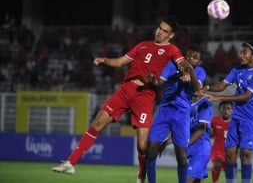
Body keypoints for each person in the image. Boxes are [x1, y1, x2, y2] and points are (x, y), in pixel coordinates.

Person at [52, 16, 189, 183]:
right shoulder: (143, 45)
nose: (160, 32)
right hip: (125, 90)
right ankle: (70, 162)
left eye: (164, 30)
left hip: (145, 95)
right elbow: (120, 62)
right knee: (97, 122)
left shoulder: (172, 50)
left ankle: (141, 174)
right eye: (159, 28)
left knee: (142, 146)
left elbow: (182, 63)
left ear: (171, 35)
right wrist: (105, 60)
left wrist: (186, 72)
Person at [201, 41, 253, 183]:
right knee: (230, 154)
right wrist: (206, 87)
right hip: (236, 117)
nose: (241, 55)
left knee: (245, 154)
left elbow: (245, 96)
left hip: (251, 119)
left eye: (245, 52)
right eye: (241, 52)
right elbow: (221, 85)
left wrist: (217, 97)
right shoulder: (237, 69)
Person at [146, 48, 206, 183]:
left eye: (195, 57)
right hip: (164, 111)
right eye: (189, 54)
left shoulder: (200, 72)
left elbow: (197, 89)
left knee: (182, 157)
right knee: (151, 151)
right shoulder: (171, 65)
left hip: (182, 115)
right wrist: (152, 79)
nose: (191, 57)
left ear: (199, 62)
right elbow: (158, 83)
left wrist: (190, 72)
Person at [187, 94, 213, 183]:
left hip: (201, 149)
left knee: (188, 179)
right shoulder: (186, 105)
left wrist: (185, 145)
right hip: (191, 150)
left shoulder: (205, 104)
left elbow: (202, 129)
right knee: (197, 180)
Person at [210, 101, 232, 183]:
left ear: (232, 110)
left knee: (229, 171)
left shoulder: (234, 123)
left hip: (229, 151)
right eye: (224, 108)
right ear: (220, 110)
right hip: (217, 150)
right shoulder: (214, 121)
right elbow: (209, 131)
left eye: (228, 108)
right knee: (217, 163)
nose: (226, 111)